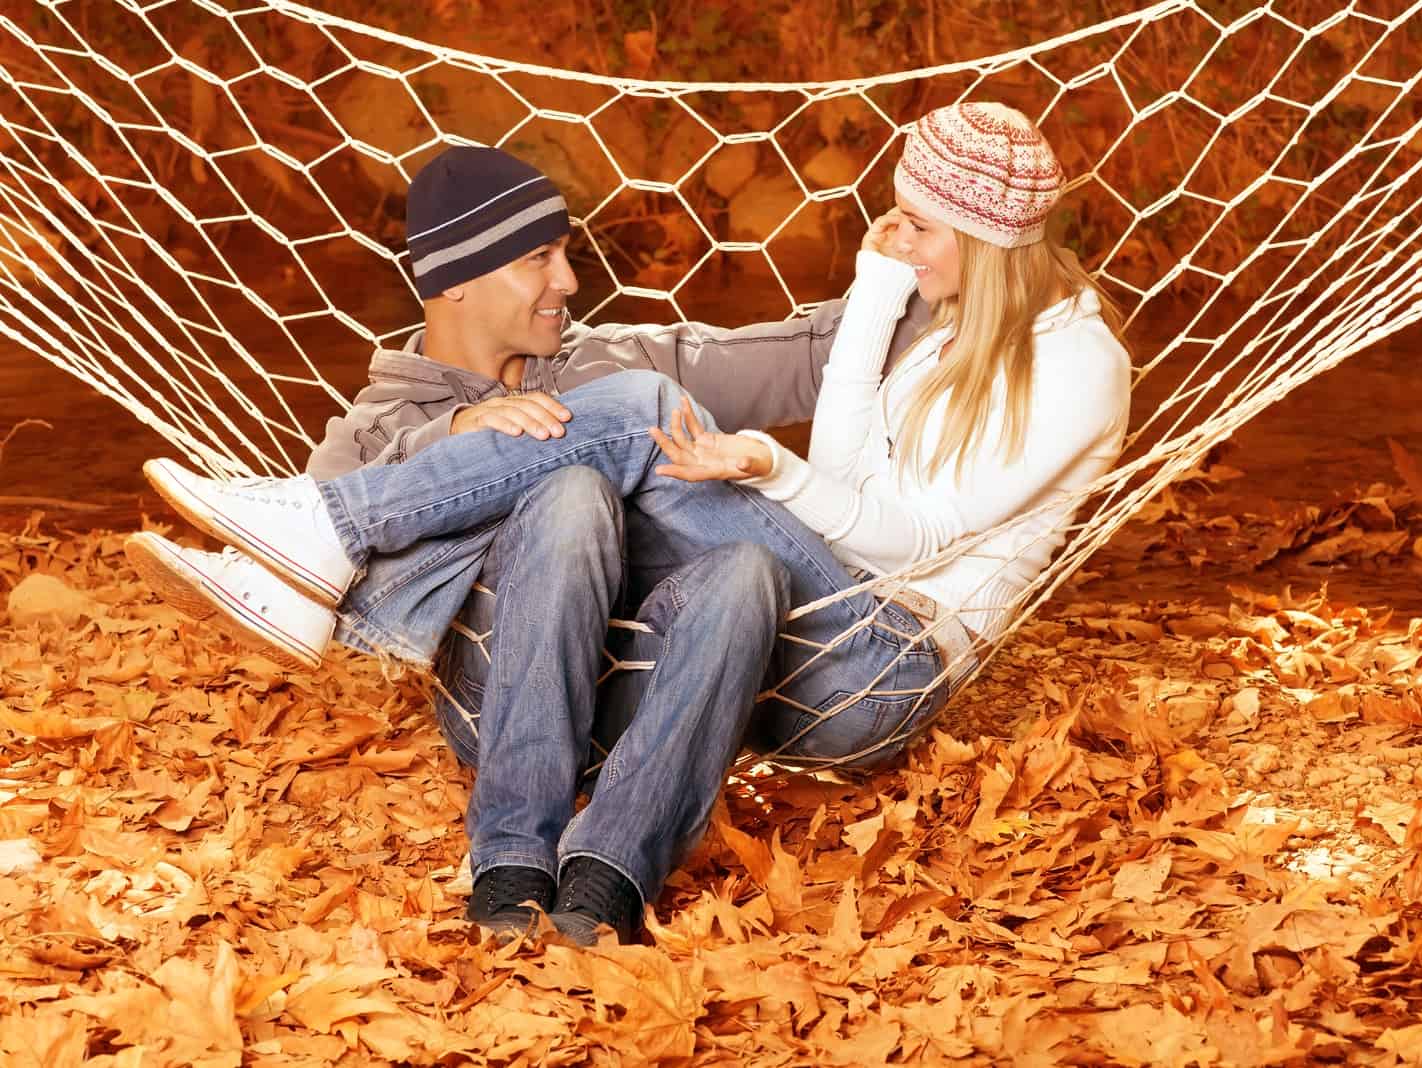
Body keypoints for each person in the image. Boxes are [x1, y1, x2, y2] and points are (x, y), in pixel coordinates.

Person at [133, 101, 1131, 938]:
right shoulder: (375, 426)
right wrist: (458, 438)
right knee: (577, 486)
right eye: (538, 261)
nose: (569, 282)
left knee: (700, 518)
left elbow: (801, 364)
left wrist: (875, 301)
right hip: (516, 693)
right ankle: (506, 847)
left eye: (566, 253)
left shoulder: (607, 366)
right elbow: (391, 606)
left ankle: (603, 875)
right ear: (455, 281)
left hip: (818, 652)